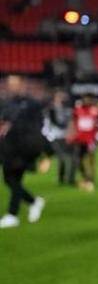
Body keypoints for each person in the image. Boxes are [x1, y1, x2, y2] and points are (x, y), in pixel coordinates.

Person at [1, 75, 49, 229]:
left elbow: (38, 124)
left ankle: (12, 215)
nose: (12, 87)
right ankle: (33, 202)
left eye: (15, 84)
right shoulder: (7, 103)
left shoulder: (32, 104)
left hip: (24, 147)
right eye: (10, 84)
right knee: (10, 180)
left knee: (13, 178)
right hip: (9, 146)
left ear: (22, 85)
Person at [68, 94, 98, 191]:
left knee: (91, 158)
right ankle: (85, 175)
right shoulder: (77, 110)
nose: (87, 101)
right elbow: (73, 123)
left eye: (88, 99)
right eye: (85, 99)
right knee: (79, 159)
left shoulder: (95, 110)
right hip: (79, 139)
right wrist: (71, 135)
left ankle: (91, 177)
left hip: (91, 140)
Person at [44, 89, 73, 185]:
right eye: (59, 96)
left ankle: (68, 178)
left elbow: (70, 121)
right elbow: (52, 122)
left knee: (69, 158)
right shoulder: (51, 109)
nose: (62, 98)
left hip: (66, 136)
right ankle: (62, 178)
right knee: (62, 157)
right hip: (56, 136)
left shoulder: (67, 109)